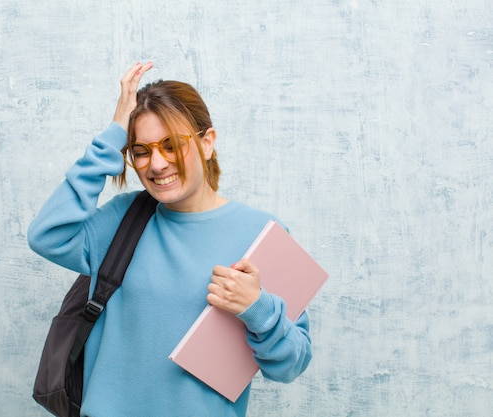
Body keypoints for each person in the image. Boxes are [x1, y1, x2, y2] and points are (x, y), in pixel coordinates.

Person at [27, 62, 312, 417]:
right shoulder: (124, 218)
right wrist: (114, 136)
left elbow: (290, 366)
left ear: (207, 143)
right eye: (141, 150)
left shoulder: (263, 233)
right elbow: (46, 235)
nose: (156, 164)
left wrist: (257, 309)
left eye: (171, 145)